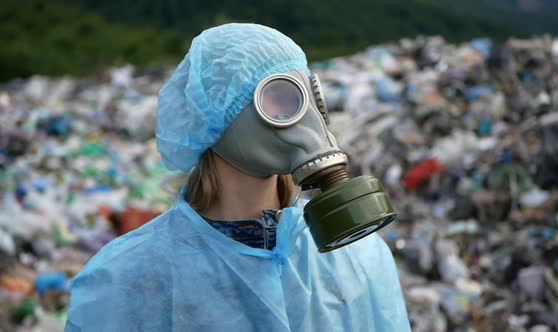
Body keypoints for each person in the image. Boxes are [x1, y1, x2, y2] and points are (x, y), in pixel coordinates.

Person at [65, 23, 410, 332]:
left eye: (307, 97)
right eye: (276, 97)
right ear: (213, 117)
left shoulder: (360, 255)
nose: (305, 121)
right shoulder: (126, 279)